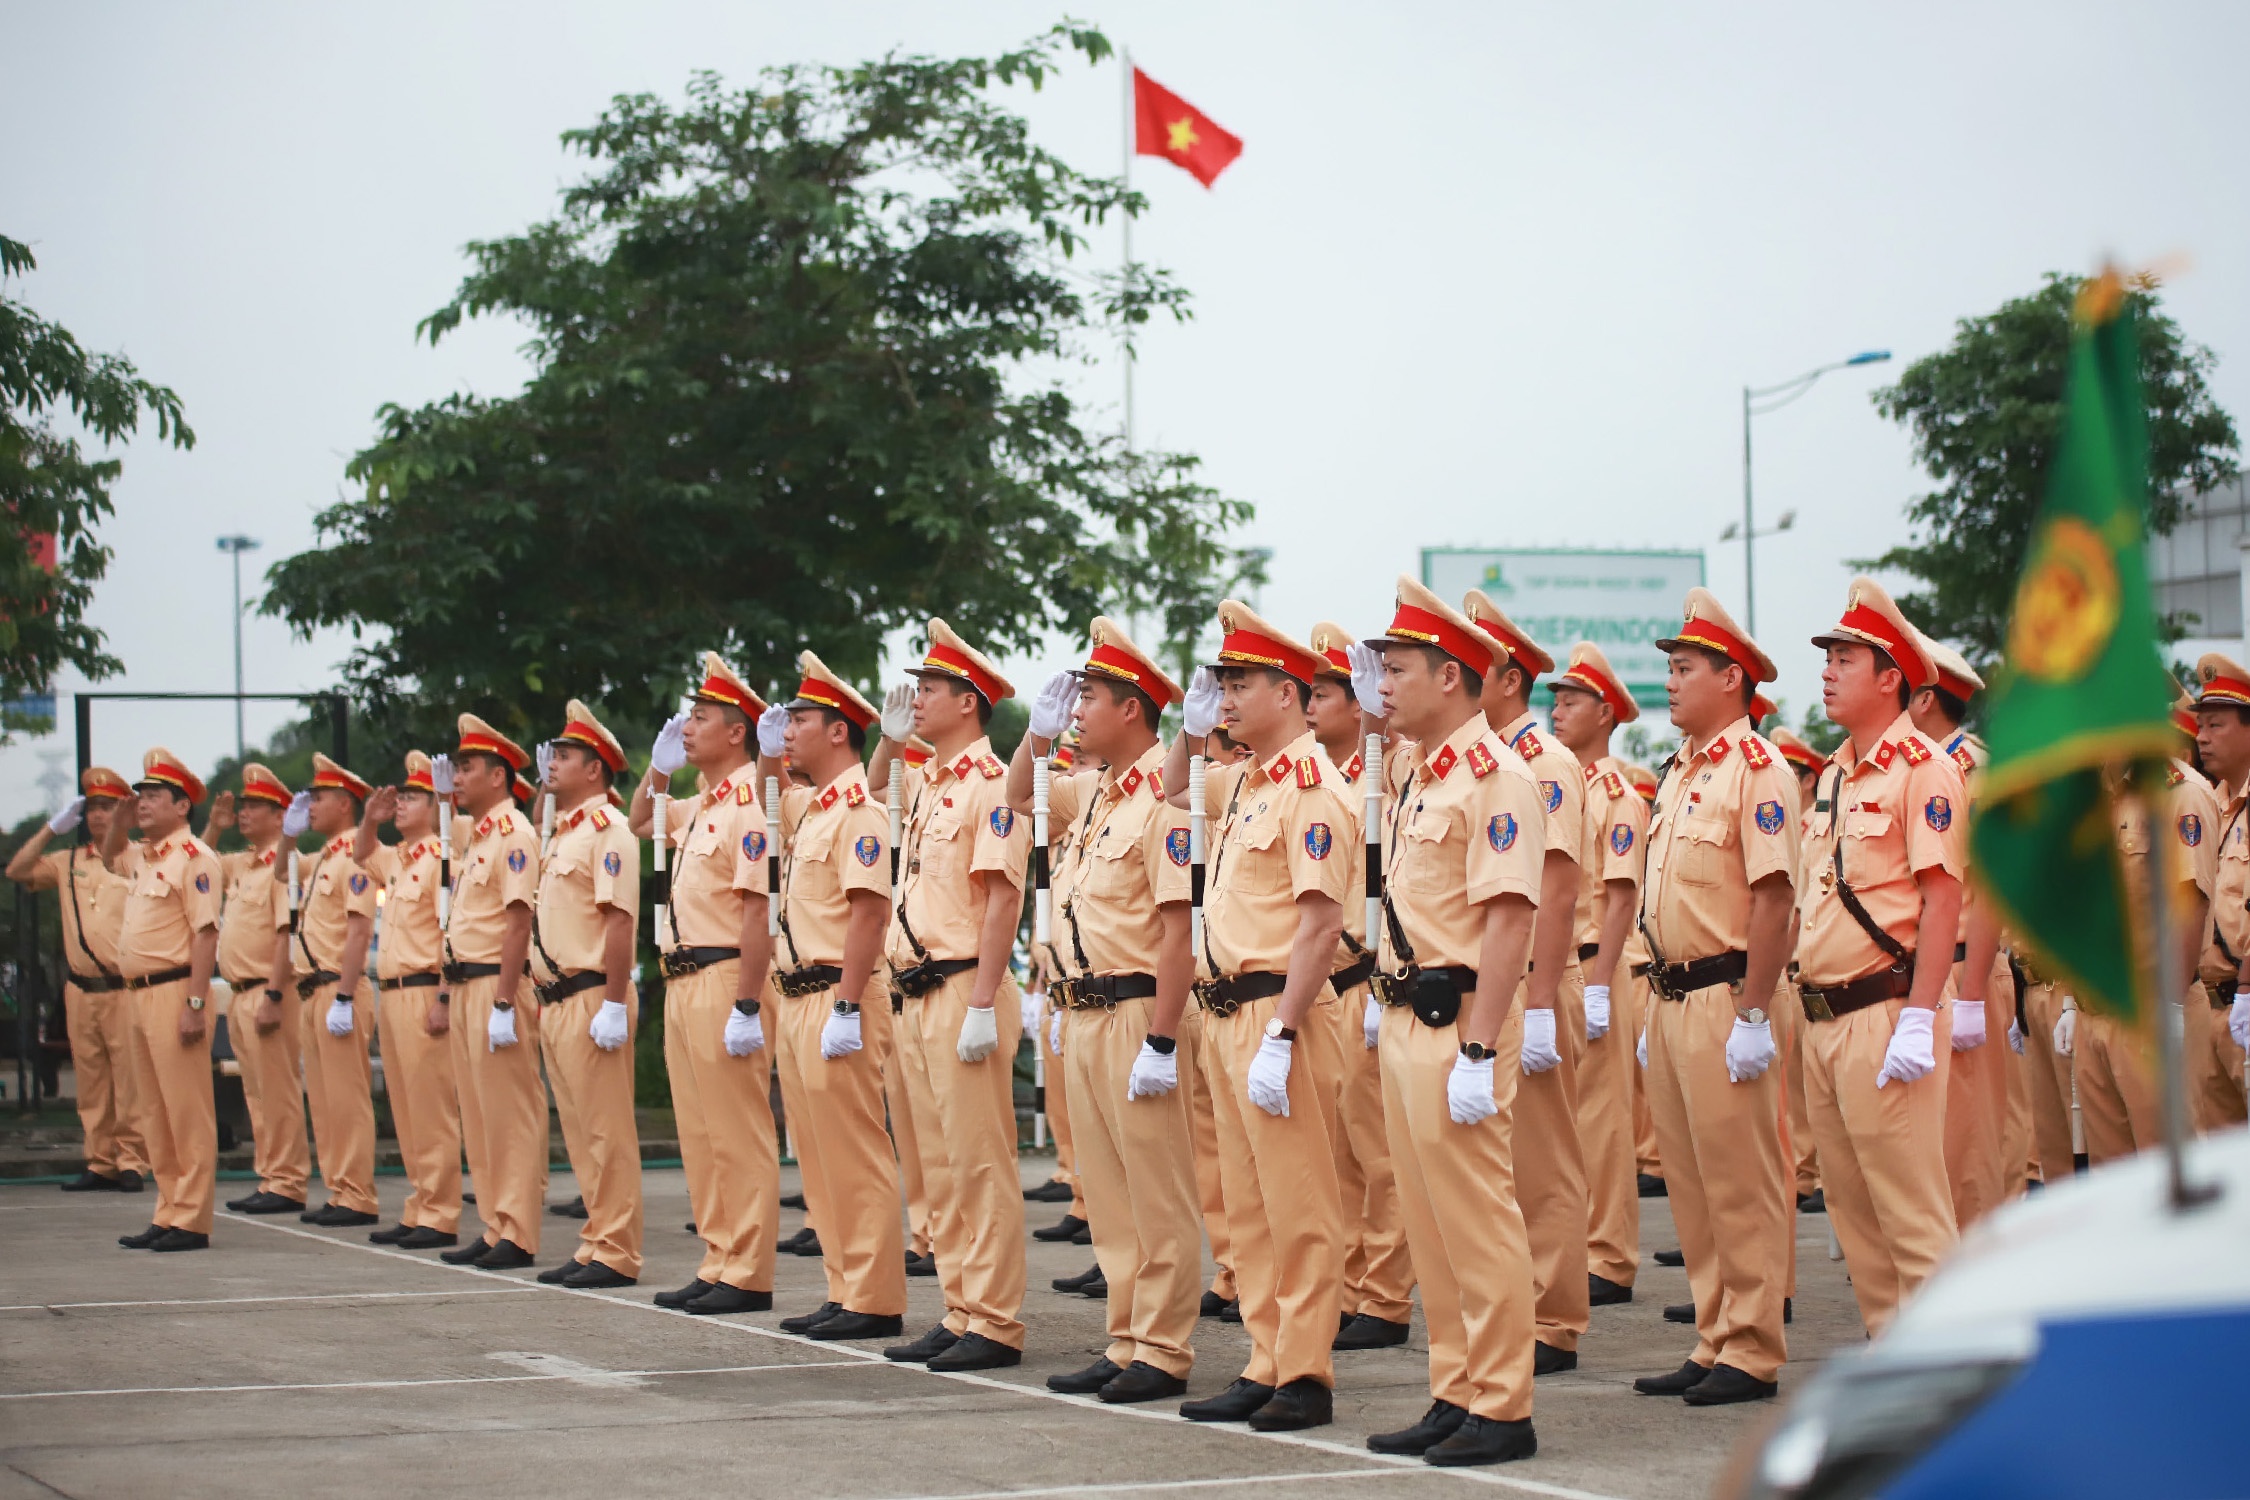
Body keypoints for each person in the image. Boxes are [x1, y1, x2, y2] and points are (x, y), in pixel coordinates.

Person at [1356, 577, 1544, 1467]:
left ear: (1453, 677)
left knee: (1477, 1218)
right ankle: (1454, 1387)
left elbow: (1509, 922)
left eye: (1398, 669)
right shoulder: (1419, 774)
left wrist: (1479, 1047)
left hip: (1460, 1017)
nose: (1381, 684)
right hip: (1405, 1015)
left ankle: (1502, 1404)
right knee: (1429, 1222)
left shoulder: (1496, 777)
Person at [1161, 601, 1350, 1433]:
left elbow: (1320, 924)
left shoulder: (1314, 786)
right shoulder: (1244, 781)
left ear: (1287, 692)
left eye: (1239, 684)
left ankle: (1305, 1371)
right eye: (1221, 684)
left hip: (1285, 1013)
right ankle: (1267, 1357)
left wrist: (1282, 1032)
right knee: (1248, 1206)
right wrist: (1190, 730)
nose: (1226, 697)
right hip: (1226, 1013)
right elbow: (1170, 792)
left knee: (1298, 1203)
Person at [1011, 620, 1204, 1404]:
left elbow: (1176, 929)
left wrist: (1161, 1035)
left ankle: (1163, 1346)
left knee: (1155, 1189)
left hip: (1135, 1012)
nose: (1077, 706)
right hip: (1082, 1012)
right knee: (1110, 1191)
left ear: (1133, 708)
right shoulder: (1091, 792)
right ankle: (1125, 1337)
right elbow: (1016, 798)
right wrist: (1035, 735)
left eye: (1088, 695)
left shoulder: (1168, 795)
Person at [1630, 588, 1798, 1407]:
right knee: (1692, 1183)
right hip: (1669, 999)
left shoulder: (1758, 772)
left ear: (1732, 677)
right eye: (1668, 666)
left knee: (1741, 1181)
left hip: (1725, 996)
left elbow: (1774, 901)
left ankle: (1754, 1346)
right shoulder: (1680, 773)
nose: (1670, 680)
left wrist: (1756, 1012)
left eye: (1685, 667)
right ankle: (1714, 1334)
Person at [1796, 581, 1967, 1339]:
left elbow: (1942, 901)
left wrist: (1921, 1016)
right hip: (1824, 1016)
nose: (1828, 671)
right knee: (1855, 1213)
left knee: (1911, 1212)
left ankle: (1942, 1377)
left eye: (1845, 658)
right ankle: (1889, 1356)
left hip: (1886, 1012)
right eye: (1828, 657)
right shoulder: (1835, 773)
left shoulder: (1923, 769)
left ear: (1891, 676)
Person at [867, 619, 1029, 1371]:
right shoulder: (930, 783)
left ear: (968, 701)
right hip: (914, 991)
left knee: (977, 1162)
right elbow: (868, 797)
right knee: (938, 1165)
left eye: (929, 689)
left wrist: (982, 1002)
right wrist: (890, 743)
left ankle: (993, 1320)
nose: (916, 698)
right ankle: (961, 1306)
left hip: (964, 985)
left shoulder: (992, 785)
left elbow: (1002, 899)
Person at [1462, 590, 1590, 1376]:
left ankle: (1554, 1320)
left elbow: (1560, 888)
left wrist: (1540, 1004)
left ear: (1506, 677)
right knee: (1498, 1161)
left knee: (1542, 1160)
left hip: (1535, 981)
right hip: (1490, 984)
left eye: (1471, 663)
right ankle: (1517, 1307)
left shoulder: (1544, 762)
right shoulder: (1480, 761)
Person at [763, 653, 907, 1343]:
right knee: (817, 1156)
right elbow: (765, 814)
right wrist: (766, 757)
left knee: (853, 1151)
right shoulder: (812, 809)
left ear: (840, 732)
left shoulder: (860, 811)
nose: (788, 731)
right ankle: (844, 1285)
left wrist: (848, 1006)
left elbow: (869, 916)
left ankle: (874, 1296)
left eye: (800, 721)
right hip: (797, 996)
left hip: (835, 995)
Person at [632, 654, 781, 1314]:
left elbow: (759, 913)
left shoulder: (751, 804)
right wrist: (658, 768)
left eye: (701, 719)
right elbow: (641, 820)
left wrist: (749, 1002)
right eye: (688, 718)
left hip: (726, 976)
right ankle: (719, 1257)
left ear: (736, 733)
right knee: (699, 1130)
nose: (687, 727)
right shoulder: (701, 805)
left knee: (736, 1130)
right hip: (683, 977)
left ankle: (747, 1270)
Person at [1306, 621, 1414, 1352]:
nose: (1312, 706)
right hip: (1323, 986)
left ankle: (1384, 1298)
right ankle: (1348, 1288)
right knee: (1336, 1155)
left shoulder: (1390, 763)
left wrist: (1380, 716)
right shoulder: (1321, 779)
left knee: (1380, 1158)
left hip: (1368, 980)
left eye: (1325, 692)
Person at [1545, 643, 1650, 1308]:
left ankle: (1610, 1255)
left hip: (1595, 966)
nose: (1557, 710)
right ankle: (1579, 1244)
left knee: (1604, 1119)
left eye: (1572, 700)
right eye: (1555, 699)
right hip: (1561, 968)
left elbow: (1619, 896)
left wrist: (1604, 982)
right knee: (1565, 1122)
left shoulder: (1618, 795)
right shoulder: (1558, 784)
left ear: (1605, 713)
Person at [530, 701, 644, 1288]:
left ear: (595, 768)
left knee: (606, 1131)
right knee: (578, 1130)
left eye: (566, 755)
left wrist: (617, 1002)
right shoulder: (565, 832)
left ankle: (616, 1250)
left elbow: (619, 920)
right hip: (557, 996)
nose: (553, 763)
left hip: (593, 992)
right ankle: (596, 1239)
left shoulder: (610, 832)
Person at [1903, 631, 2011, 1231]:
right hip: (1925, 973)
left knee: (1969, 1146)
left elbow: (1990, 889)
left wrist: (1971, 996)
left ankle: (1977, 1275)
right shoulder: (1916, 770)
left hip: (1967, 968)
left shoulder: (1975, 770)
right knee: (1932, 1140)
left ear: (1923, 699)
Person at [101, 749, 223, 1251]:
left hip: (176, 991)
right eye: (141, 795)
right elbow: (108, 853)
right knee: (153, 1110)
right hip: (137, 995)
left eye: (153, 796)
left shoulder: (196, 858)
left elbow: (205, 934)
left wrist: (195, 1005)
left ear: (182, 806)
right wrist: (121, 820)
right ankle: (168, 1209)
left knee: (186, 1110)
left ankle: (191, 1219)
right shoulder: (146, 858)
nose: (143, 803)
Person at [437, 716, 547, 1270]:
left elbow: (517, 923)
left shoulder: (515, 836)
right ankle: (494, 1222)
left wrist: (505, 1000)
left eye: (467, 767)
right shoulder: (477, 838)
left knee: (509, 1113)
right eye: (456, 766)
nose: (457, 776)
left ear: (499, 775)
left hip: (493, 986)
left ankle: (518, 1230)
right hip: (465, 984)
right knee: (479, 1114)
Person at [7, 766, 147, 1193]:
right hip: (81, 988)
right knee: (91, 1081)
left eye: (108, 808)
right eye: (92, 810)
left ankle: (131, 1162)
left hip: (122, 987)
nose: (98, 817)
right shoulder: (69, 862)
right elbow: (17, 870)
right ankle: (99, 1160)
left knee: (128, 1079)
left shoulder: (136, 856)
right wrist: (51, 828)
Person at [262, 754, 382, 1228]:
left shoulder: (355, 854)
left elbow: (358, 931)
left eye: (320, 798)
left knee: (347, 1098)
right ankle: (338, 1190)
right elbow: (279, 873)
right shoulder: (325, 856)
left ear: (347, 804)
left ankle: (357, 1194)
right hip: (313, 990)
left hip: (338, 986)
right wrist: (287, 834)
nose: (310, 805)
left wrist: (347, 997)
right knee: (326, 1100)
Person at [354, 754, 464, 1248]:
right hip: (392, 991)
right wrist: (369, 820)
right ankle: (420, 1205)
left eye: (411, 798)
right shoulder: (399, 858)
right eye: (400, 797)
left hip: (424, 989)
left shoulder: (444, 855)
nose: (400, 805)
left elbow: (450, 932)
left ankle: (440, 1212)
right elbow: (361, 854)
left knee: (431, 1108)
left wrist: (443, 996)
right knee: (404, 1107)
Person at [204, 766, 308, 1215]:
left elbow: (287, 933)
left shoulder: (284, 866)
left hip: (269, 990)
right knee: (257, 1094)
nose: (244, 813)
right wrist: (214, 826)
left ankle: (287, 1180)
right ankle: (270, 1177)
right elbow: (195, 863)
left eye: (254, 807)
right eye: (243, 806)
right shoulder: (242, 863)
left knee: (278, 1089)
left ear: (279, 814)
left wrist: (274, 994)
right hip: (239, 991)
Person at [2191, 654, 2250, 1130]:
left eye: (2215, 724)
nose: (2201, 737)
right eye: (2200, 725)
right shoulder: (2212, 804)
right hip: (2207, 1008)